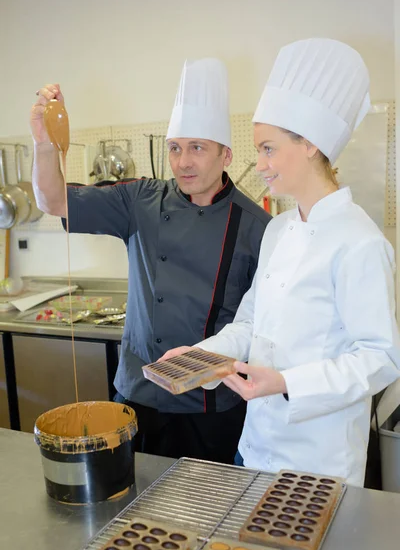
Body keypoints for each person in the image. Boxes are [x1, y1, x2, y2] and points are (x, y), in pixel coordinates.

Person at [160, 39, 400, 486]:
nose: (261, 163)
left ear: (308, 144)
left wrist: (287, 382)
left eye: (269, 148)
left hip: (318, 466)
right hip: (255, 450)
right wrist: (202, 356)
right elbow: (250, 325)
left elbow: (380, 358)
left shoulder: (359, 242)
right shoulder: (279, 229)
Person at [30, 58, 271, 463]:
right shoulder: (139, 200)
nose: (183, 162)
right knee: (131, 509)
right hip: (138, 396)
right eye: (175, 148)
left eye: (197, 148)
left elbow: (261, 325)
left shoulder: (258, 226)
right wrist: (42, 141)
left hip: (211, 409)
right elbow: (52, 200)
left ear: (225, 155)